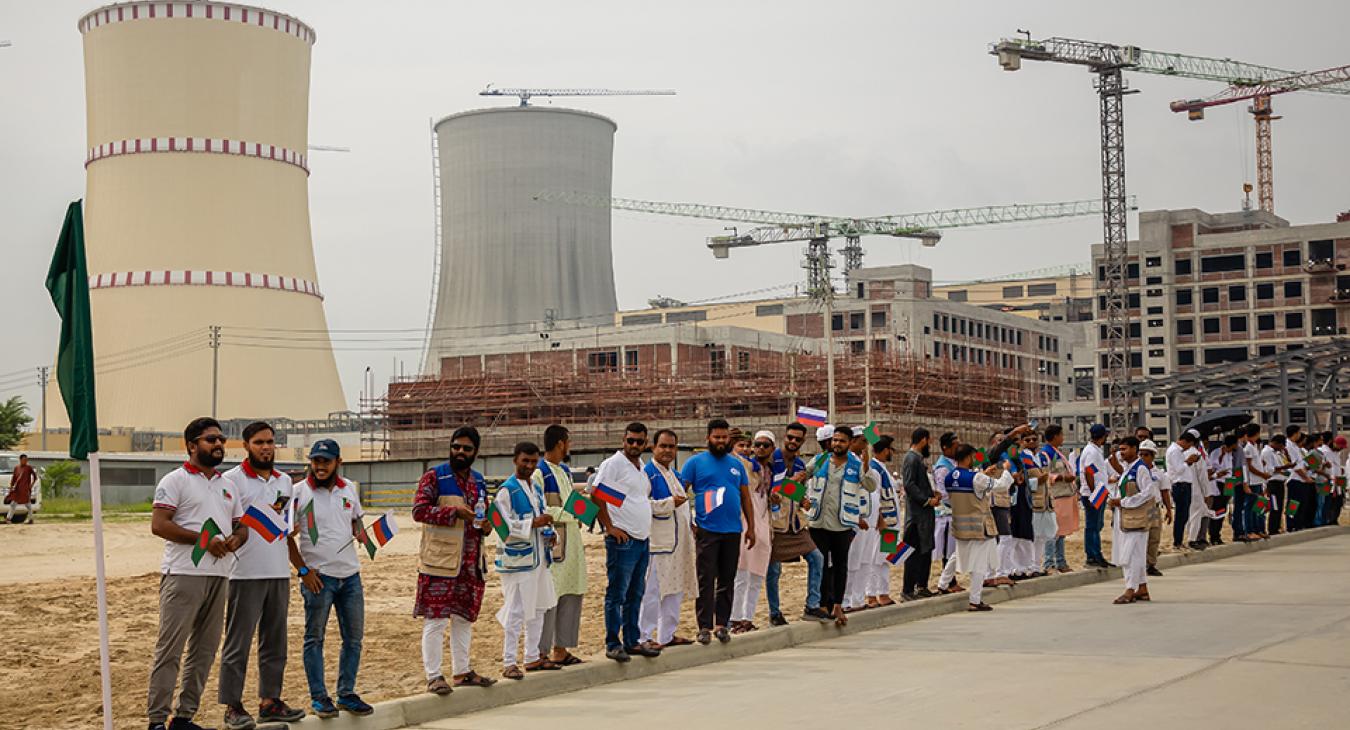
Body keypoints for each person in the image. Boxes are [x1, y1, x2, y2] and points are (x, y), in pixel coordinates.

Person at [147, 417, 248, 730]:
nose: (218, 444)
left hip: (219, 576)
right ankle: (156, 721)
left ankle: (184, 717)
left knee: (204, 651)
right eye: (210, 440)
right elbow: (159, 525)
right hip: (183, 574)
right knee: (171, 649)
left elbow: (241, 526)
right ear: (191, 446)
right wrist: (204, 541)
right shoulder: (175, 481)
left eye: (220, 439)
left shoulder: (227, 485)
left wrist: (234, 539)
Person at [218, 422, 306, 728]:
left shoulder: (285, 481)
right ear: (246, 445)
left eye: (270, 442)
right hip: (244, 572)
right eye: (259, 442)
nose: (266, 447)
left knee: (274, 641)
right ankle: (232, 705)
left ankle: (270, 701)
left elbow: (283, 517)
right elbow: (226, 521)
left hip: (277, 570)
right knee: (237, 643)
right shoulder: (231, 480)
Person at [292, 439, 372, 718]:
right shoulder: (298, 493)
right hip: (319, 579)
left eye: (326, 461)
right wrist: (303, 571)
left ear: (338, 462)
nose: (320, 466)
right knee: (314, 638)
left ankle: (346, 693)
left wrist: (362, 533)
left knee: (354, 639)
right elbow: (286, 537)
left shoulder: (349, 488)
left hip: (350, 576)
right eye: (316, 461)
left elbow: (355, 520)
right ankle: (319, 697)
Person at [414, 426, 495, 694]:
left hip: (471, 562)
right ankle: (434, 675)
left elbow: (486, 516)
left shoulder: (479, 481)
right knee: (435, 619)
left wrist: (486, 526)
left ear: (475, 452)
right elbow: (419, 511)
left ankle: (462, 671)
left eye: (466, 448)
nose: (460, 452)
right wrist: (454, 512)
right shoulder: (434, 476)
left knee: (463, 618)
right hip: (440, 561)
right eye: (456, 446)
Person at [682, 418, 757, 644]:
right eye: (717, 437)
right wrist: (689, 522)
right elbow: (681, 493)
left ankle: (722, 624)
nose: (721, 441)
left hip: (733, 531)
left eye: (724, 437)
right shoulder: (694, 463)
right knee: (705, 580)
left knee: (727, 579)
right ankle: (704, 626)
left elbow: (745, 496)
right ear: (708, 438)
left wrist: (751, 527)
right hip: (707, 530)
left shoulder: (737, 465)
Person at [493, 442, 558, 680]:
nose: (529, 466)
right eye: (525, 461)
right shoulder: (506, 491)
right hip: (517, 561)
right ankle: (509, 660)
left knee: (539, 607)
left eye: (533, 462)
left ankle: (532, 656)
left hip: (540, 557)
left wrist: (550, 533)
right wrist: (534, 524)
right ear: (515, 460)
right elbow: (503, 527)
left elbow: (541, 517)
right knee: (517, 610)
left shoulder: (536, 488)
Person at [594, 423, 656, 661]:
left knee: (635, 593)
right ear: (624, 440)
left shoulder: (640, 468)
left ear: (645, 443)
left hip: (641, 539)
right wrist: (609, 526)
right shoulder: (614, 464)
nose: (634, 445)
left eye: (639, 442)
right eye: (630, 441)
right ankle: (613, 642)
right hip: (623, 540)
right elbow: (597, 494)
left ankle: (632, 640)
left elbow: (626, 499)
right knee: (617, 593)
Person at [805, 425, 873, 624]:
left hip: (843, 525)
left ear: (850, 443)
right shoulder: (820, 461)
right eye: (834, 440)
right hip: (818, 522)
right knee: (820, 565)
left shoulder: (856, 464)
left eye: (842, 441)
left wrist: (866, 462)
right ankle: (821, 605)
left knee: (840, 566)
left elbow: (870, 486)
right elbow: (799, 478)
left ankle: (837, 605)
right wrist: (802, 499)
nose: (837, 444)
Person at [533, 425, 586, 668]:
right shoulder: (539, 473)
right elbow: (541, 509)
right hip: (554, 543)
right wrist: (570, 515)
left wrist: (586, 513)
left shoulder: (563, 471)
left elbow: (572, 503)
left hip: (572, 541)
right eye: (569, 442)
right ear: (561, 443)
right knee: (550, 597)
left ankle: (561, 649)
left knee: (570, 593)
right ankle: (541, 652)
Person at [640, 428, 697, 648]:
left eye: (671, 447)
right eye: (663, 446)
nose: (667, 451)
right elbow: (643, 506)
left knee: (674, 589)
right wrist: (670, 503)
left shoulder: (675, 474)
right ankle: (644, 636)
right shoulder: (647, 474)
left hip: (679, 542)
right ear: (653, 447)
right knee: (652, 591)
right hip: (658, 542)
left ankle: (667, 635)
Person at [764, 422, 825, 624]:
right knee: (773, 570)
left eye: (797, 439)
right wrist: (782, 489)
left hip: (795, 524)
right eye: (790, 437)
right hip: (774, 523)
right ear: (784, 437)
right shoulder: (772, 460)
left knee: (816, 557)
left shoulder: (800, 465)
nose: (793, 442)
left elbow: (792, 491)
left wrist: (802, 499)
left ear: (803, 441)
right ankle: (774, 612)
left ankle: (813, 605)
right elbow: (766, 489)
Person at [946, 444, 1013, 611]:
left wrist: (984, 474)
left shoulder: (949, 476)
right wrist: (1005, 470)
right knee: (979, 565)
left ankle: (943, 583)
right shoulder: (976, 478)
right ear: (968, 457)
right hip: (978, 525)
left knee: (957, 555)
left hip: (960, 525)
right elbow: (1000, 485)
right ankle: (975, 601)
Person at [731, 431, 777, 631]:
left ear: (772, 449)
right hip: (745, 525)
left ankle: (748, 618)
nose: (760, 448)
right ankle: (735, 618)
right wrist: (731, 443)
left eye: (765, 445)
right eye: (756, 444)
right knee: (741, 574)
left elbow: (787, 489)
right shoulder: (747, 467)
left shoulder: (774, 471)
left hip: (766, 525)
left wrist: (782, 498)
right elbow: (733, 457)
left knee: (758, 575)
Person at [1109, 437, 1156, 604]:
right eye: (1120, 449)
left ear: (1134, 449)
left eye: (1125, 449)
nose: (1122, 452)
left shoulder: (1140, 469)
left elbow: (1148, 492)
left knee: (1130, 555)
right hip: (1125, 517)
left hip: (1136, 518)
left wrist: (1122, 502)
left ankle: (1129, 589)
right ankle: (1142, 588)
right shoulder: (1128, 469)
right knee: (1136, 554)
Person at [843, 429, 886, 611]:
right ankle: (846, 600)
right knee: (852, 561)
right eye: (862, 441)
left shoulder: (871, 467)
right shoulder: (847, 463)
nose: (865, 446)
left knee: (866, 561)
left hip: (871, 520)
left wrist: (880, 517)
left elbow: (875, 493)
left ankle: (858, 601)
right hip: (855, 520)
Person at [901, 428, 939, 599]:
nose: (930, 444)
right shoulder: (911, 458)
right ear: (923, 440)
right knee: (913, 553)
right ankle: (908, 590)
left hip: (924, 516)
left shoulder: (918, 459)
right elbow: (909, 485)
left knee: (925, 551)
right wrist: (926, 500)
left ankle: (921, 586)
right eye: (929, 441)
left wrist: (932, 495)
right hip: (916, 517)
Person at [868, 435, 902, 606]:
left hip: (891, 522)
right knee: (875, 559)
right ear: (884, 450)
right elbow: (875, 497)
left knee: (885, 558)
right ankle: (871, 594)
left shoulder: (882, 468)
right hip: (882, 524)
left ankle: (883, 592)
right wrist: (880, 521)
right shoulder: (874, 469)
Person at [933, 432, 966, 593]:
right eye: (955, 445)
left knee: (954, 550)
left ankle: (951, 580)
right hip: (947, 513)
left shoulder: (954, 463)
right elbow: (943, 491)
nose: (957, 448)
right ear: (945, 447)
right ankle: (949, 582)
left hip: (956, 511)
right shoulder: (943, 468)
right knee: (949, 550)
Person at [1041, 425, 1076, 573]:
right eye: (1061, 435)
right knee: (1053, 531)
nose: (1063, 438)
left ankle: (1060, 561)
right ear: (1055, 436)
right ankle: (1049, 562)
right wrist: (1061, 477)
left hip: (1065, 494)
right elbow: (1043, 474)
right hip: (1056, 495)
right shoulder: (1046, 454)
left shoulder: (1056, 453)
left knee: (1061, 531)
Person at [1021, 430, 1054, 579]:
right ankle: (1028, 566)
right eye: (1027, 440)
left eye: (1034, 439)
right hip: (1032, 501)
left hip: (1046, 501)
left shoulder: (1043, 457)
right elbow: (1022, 481)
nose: (1032, 442)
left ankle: (1036, 565)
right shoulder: (1022, 458)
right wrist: (1036, 482)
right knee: (1031, 536)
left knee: (1042, 536)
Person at [1079, 424, 1112, 567]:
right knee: (1092, 525)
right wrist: (1094, 494)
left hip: (1099, 490)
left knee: (1097, 524)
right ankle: (1094, 555)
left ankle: (1095, 554)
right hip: (1094, 492)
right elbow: (1089, 471)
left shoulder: (1095, 450)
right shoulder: (1091, 452)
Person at [1166, 431, 1200, 550]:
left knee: (1184, 515)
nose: (1188, 448)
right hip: (1180, 486)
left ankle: (1179, 540)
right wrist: (1188, 460)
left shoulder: (1179, 451)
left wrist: (1188, 462)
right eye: (1189, 445)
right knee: (1181, 515)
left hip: (1184, 485)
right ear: (1185, 442)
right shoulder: (1175, 451)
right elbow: (1179, 469)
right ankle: (1177, 542)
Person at [1207, 435, 1241, 546]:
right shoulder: (1217, 452)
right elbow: (1212, 468)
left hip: (1229, 482)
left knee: (1223, 509)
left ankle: (1218, 533)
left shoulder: (1231, 453)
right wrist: (1221, 456)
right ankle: (1214, 535)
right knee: (1217, 508)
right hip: (1219, 481)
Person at [1240, 424, 1270, 541]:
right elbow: (1249, 466)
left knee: (1258, 507)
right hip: (1252, 481)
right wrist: (1262, 474)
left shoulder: (1254, 446)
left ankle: (1258, 529)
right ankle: (1250, 530)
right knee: (1250, 507)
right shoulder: (1248, 448)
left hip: (1258, 481)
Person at [1262, 433, 1291, 535]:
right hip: (1272, 482)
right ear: (1276, 443)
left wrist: (1286, 456)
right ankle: (1272, 528)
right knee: (1274, 506)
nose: (1282, 448)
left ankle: (1277, 526)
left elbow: (1285, 464)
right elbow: (1270, 469)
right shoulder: (1267, 452)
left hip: (1280, 482)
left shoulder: (1278, 453)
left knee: (1279, 506)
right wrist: (1283, 468)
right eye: (1281, 446)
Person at [5, 453, 36, 523]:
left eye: (26, 460)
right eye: (24, 460)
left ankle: (31, 519)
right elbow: (14, 478)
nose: (25, 461)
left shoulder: (28, 468)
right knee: (13, 504)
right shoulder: (16, 468)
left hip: (25, 489)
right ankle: (8, 518)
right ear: (20, 460)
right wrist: (11, 486)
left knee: (28, 504)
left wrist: (31, 485)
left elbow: (35, 477)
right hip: (17, 489)